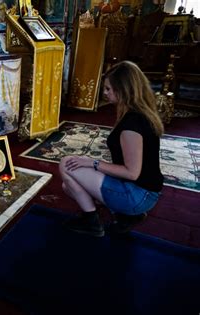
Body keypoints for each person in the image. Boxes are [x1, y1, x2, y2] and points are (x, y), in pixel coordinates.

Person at [59, 61, 164, 237]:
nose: (104, 93)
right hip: (143, 191)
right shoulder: (138, 113)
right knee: (67, 186)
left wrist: (92, 162)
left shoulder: (132, 125)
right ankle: (126, 217)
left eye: (108, 89)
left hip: (138, 196)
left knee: (66, 164)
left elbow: (132, 173)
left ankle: (91, 222)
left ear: (124, 90)